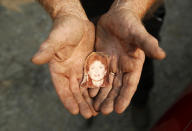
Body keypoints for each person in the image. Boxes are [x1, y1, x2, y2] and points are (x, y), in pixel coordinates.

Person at [31, 0, 166, 119]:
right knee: (79, 74)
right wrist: (65, 9)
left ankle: (140, 103)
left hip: (137, 17)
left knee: (134, 65)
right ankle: (91, 103)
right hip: (81, 15)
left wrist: (130, 8)